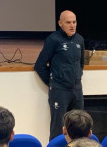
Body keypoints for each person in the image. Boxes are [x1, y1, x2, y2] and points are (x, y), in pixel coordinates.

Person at [34, 10, 85, 141]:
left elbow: (81, 63)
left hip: (77, 90)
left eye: (74, 22)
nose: (72, 25)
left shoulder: (80, 39)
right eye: (68, 22)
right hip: (59, 90)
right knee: (58, 128)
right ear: (60, 23)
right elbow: (40, 65)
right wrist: (53, 82)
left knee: (80, 126)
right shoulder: (53, 40)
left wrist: (77, 78)